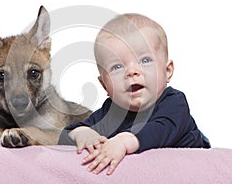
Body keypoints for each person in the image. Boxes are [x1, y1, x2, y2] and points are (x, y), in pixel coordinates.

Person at [58, 13, 210, 175]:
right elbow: (65, 136)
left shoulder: (174, 103)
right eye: (117, 67)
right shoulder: (111, 113)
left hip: (190, 167)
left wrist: (124, 141)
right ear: (104, 85)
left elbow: (159, 130)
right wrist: (82, 133)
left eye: (145, 60)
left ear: (167, 71)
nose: (131, 71)